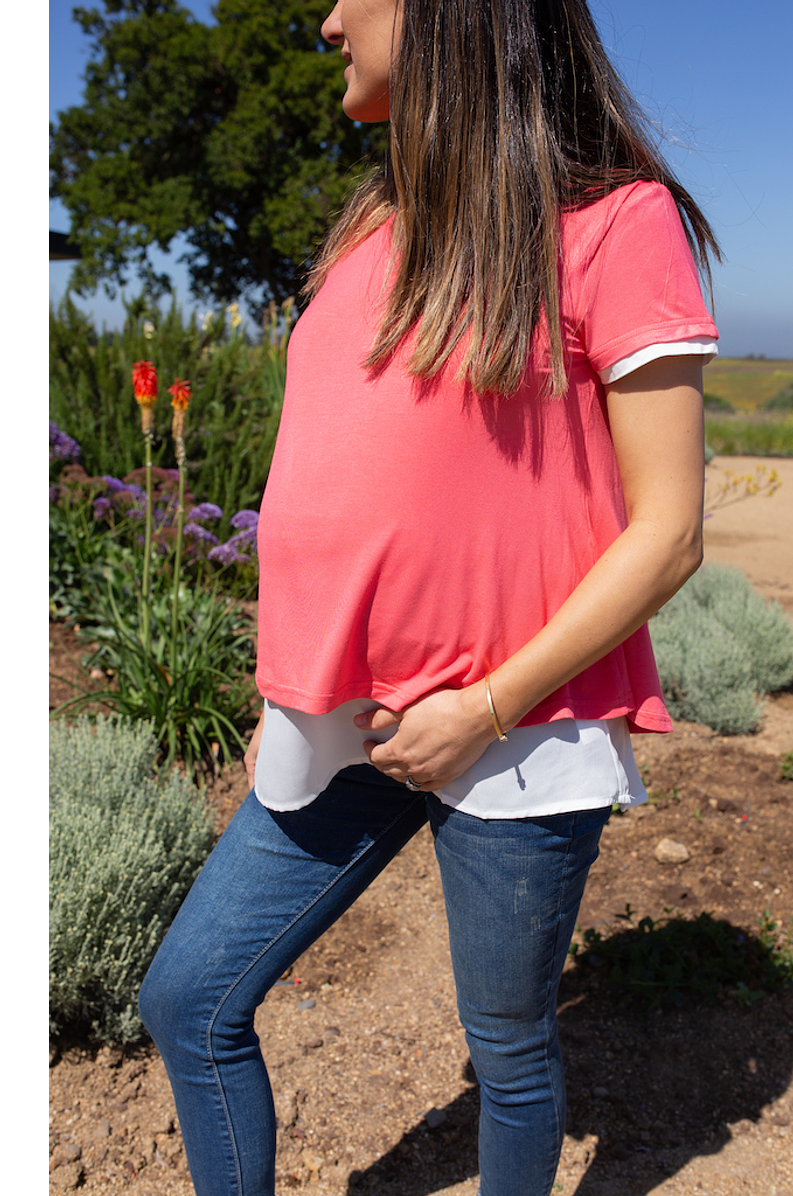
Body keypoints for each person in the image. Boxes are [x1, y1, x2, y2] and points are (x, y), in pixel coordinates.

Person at [139, 2, 721, 1194]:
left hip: (522, 721)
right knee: (190, 997)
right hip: (344, 714)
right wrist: (284, 684)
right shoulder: (371, 223)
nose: (327, 19)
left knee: (506, 1048)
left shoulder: (615, 219)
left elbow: (668, 533)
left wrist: (487, 704)